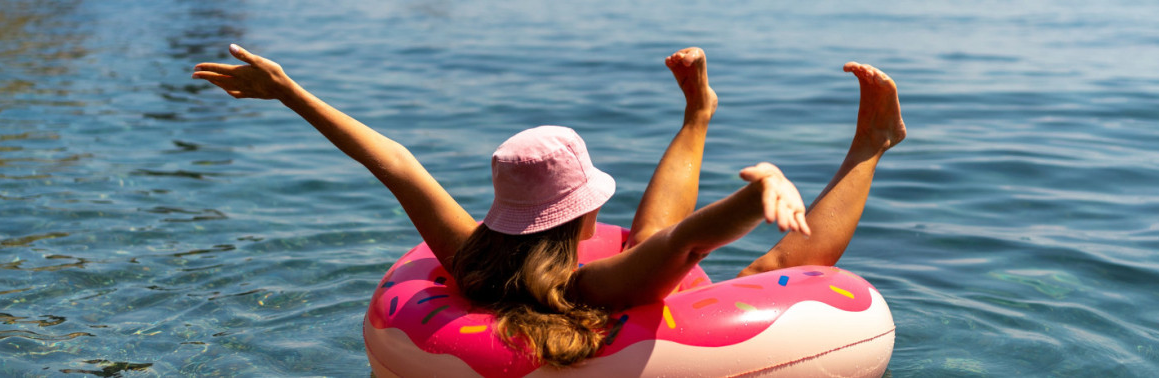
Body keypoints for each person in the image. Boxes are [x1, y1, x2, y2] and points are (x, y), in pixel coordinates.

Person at [192, 45, 905, 367]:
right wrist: (762, 188)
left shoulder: (467, 253)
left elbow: (394, 163)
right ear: (587, 217)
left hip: (523, 301)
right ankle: (872, 143)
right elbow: (685, 242)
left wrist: (289, 93)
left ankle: (697, 115)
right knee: (774, 261)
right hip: (636, 321)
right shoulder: (601, 284)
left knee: (661, 238)